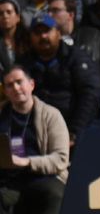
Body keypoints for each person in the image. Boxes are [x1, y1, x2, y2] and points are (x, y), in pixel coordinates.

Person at [18, 13, 100, 144]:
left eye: (47, 31)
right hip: (35, 132)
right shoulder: (24, 63)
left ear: (58, 33)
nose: (43, 36)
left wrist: (74, 133)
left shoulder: (76, 57)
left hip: (72, 128)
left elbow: (90, 94)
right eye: (37, 33)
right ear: (31, 37)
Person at [0, 65, 69, 214]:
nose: (16, 88)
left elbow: (60, 159)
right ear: (5, 91)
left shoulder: (51, 115)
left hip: (42, 178)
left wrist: (28, 162)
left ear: (31, 84)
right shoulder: (2, 115)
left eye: (19, 82)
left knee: (54, 193)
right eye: (10, 85)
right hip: (9, 182)